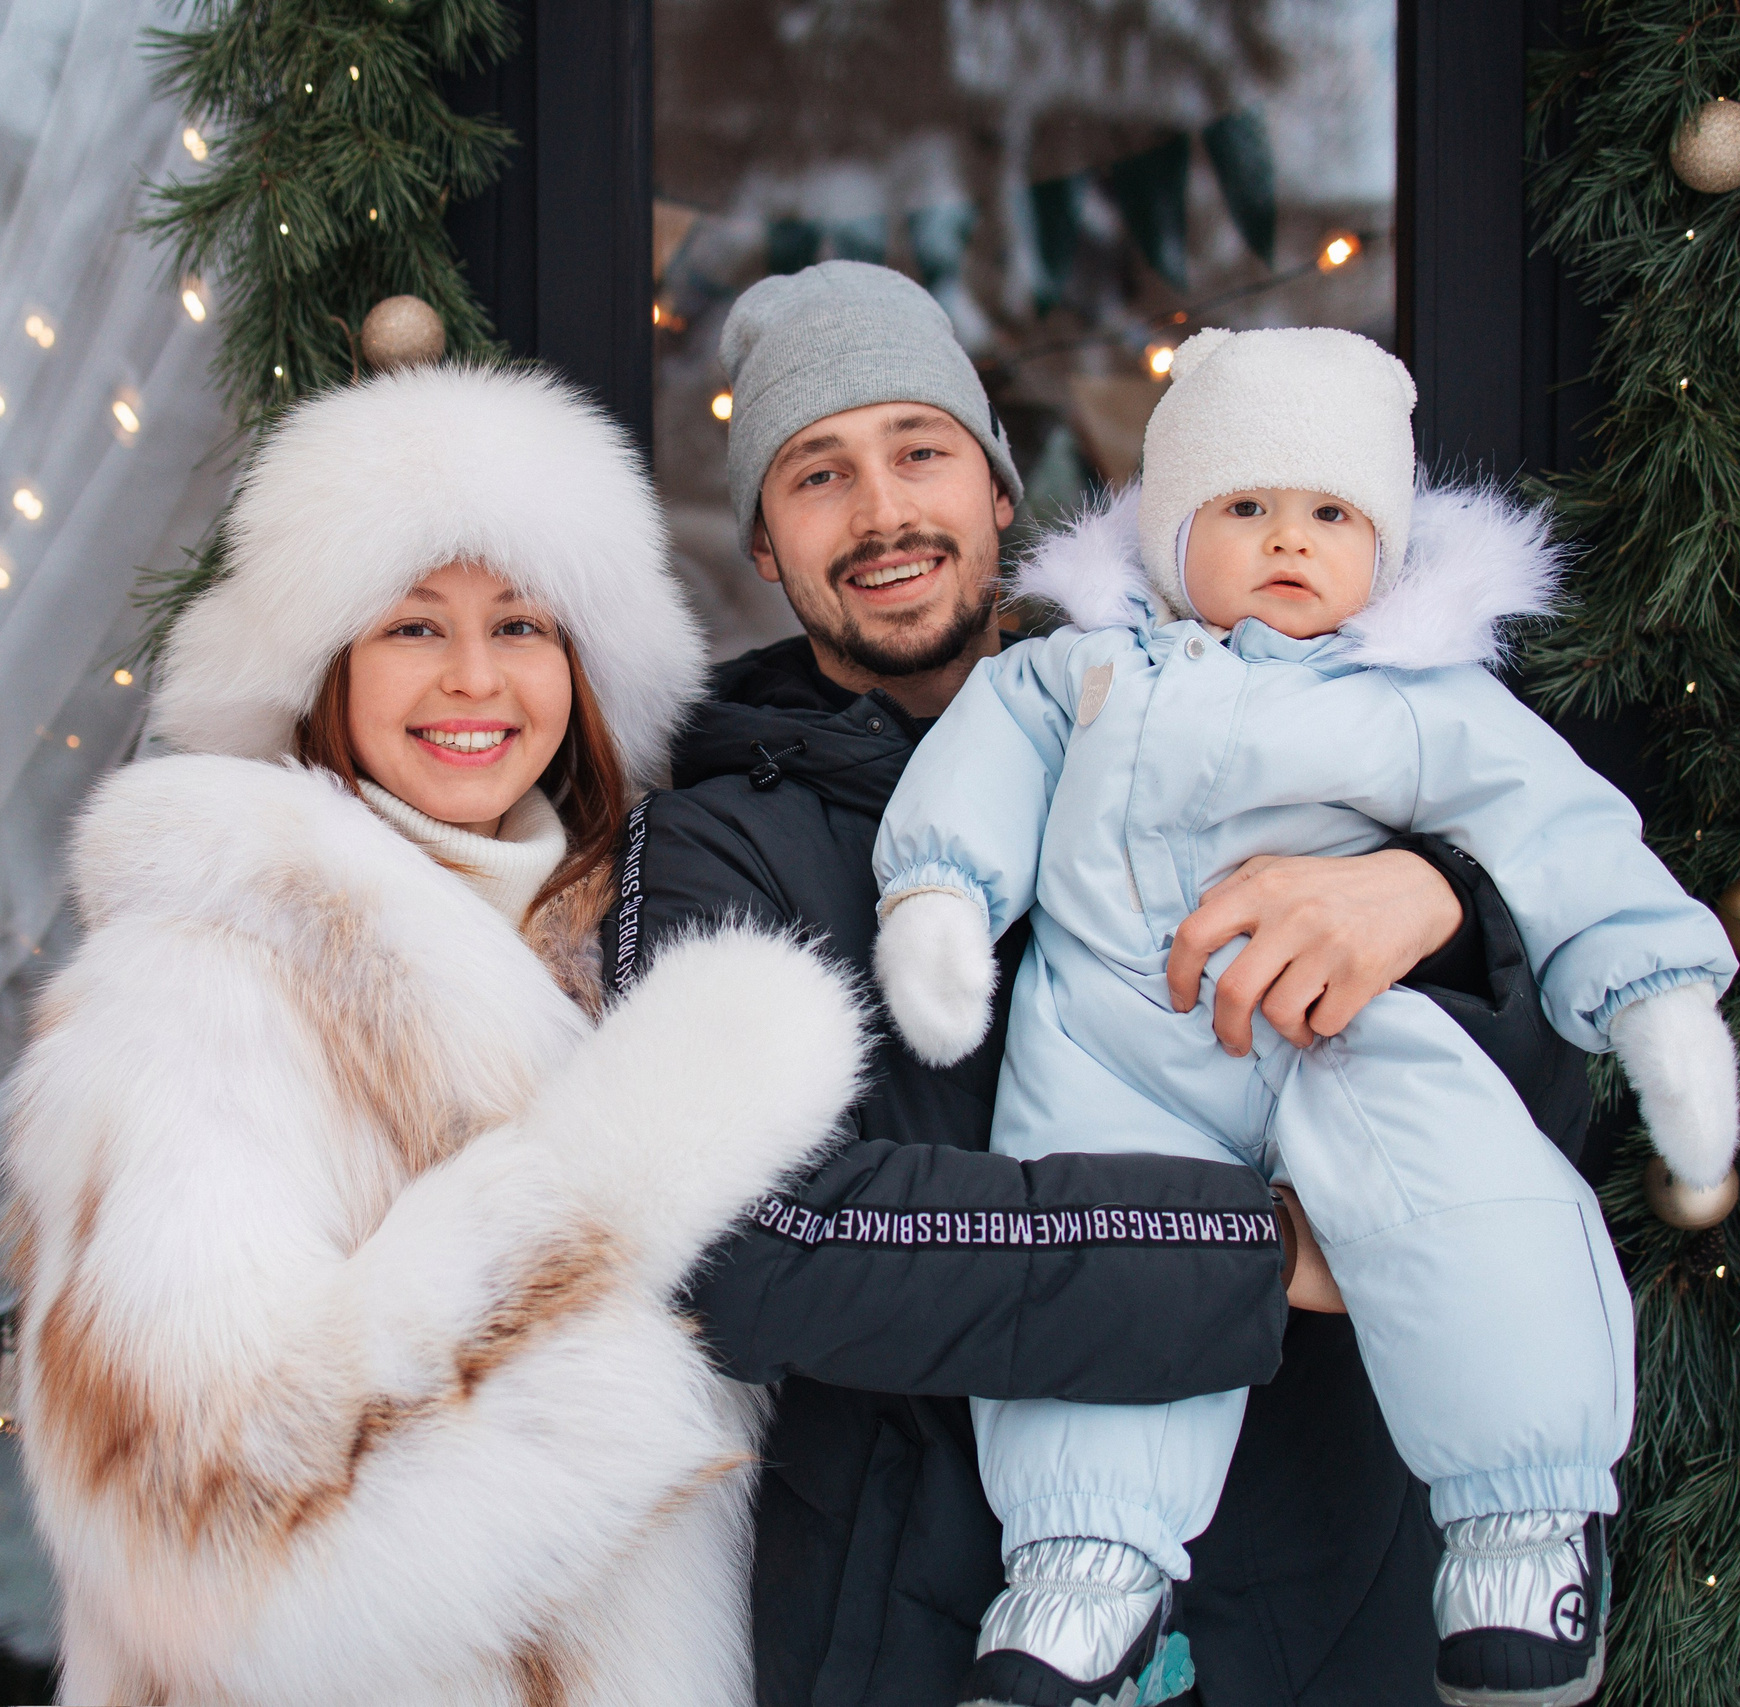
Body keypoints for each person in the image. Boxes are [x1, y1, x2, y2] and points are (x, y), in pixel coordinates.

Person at [609, 259, 1593, 1706]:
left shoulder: (1288, 709)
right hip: (918, 1610)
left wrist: (1438, 904)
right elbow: (750, 1246)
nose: (883, 513)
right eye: (818, 475)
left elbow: (1543, 1127)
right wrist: (1249, 1248)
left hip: (1316, 1589)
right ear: (763, 539)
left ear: (1002, 489)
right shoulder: (712, 837)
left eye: (921, 452)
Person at [870, 326, 1740, 1707]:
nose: (1289, 540)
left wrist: (1654, 988)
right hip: (1115, 1044)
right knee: (1092, 1250)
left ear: (1383, 543)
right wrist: (939, 900)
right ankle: (1085, 1561)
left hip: (1339, 1033)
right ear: (1168, 537)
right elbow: (980, 766)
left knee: (1466, 1189)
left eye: (1330, 512)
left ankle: (1521, 1519)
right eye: (1244, 508)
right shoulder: (1078, 672)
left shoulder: (1420, 695)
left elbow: (1555, 826)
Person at [2, 364, 869, 1706]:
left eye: (522, 623)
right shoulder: (196, 983)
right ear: (323, 668)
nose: (474, 677)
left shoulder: (637, 934)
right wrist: (623, 1217)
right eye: (412, 627)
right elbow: (202, 1534)